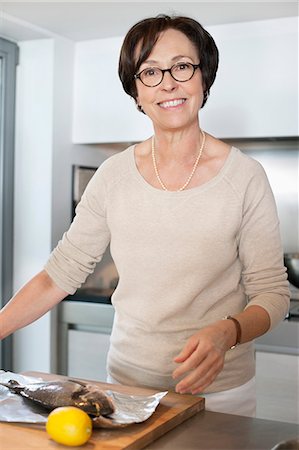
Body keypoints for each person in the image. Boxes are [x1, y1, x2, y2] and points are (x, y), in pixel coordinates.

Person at [0, 14, 290, 417]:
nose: (168, 82)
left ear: (203, 78)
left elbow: (273, 293)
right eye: (150, 72)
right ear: (136, 91)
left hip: (220, 395)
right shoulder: (113, 175)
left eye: (182, 66)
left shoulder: (244, 176)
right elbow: (59, 274)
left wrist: (229, 331)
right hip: (127, 387)